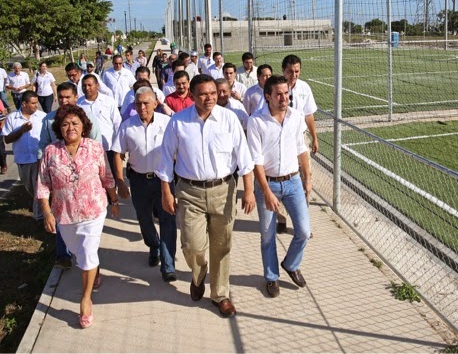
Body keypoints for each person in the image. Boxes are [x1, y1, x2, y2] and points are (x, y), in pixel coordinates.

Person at [157, 74, 255, 318]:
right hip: (189, 192)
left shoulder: (229, 119)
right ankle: (198, 276)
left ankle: (220, 294)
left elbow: (244, 158)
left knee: (222, 246)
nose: (209, 98)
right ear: (191, 95)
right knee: (192, 245)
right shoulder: (178, 122)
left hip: (224, 190)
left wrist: (249, 191)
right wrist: (166, 192)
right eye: (203, 93)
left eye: (213, 93)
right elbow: (166, 158)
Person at [37, 104, 119, 328]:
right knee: (78, 252)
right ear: (58, 129)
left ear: (84, 127)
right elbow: (43, 185)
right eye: (65, 124)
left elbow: (107, 176)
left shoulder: (94, 148)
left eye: (75, 123)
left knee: (87, 253)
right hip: (65, 214)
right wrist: (46, 212)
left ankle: (85, 300)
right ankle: (95, 269)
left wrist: (113, 200)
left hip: (93, 210)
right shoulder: (51, 152)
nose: (70, 127)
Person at [247, 75, 312, 297]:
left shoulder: (296, 117)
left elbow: (301, 148)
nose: (284, 98)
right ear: (268, 96)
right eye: (279, 94)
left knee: (303, 231)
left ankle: (291, 264)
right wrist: (265, 191)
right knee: (267, 235)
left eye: (286, 93)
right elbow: (256, 161)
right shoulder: (256, 121)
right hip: (269, 183)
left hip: (293, 182)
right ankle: (271, 277)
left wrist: (307, 177)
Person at [113, 87, 177, 282]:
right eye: (138, 103)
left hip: (163, 180)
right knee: (144, 218)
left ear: (155, 103)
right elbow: (117, 153)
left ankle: (168, 264)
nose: (142, 107)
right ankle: (154, 245)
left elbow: (179, 150)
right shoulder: (127, 126)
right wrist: (120, 181)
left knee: (168, 218)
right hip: (139, 180)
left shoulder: (168, 124)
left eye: (146, 103)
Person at [38, 82, 102, 269]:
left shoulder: (87, 117)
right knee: (61, 216)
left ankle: (90, 265)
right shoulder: (48, 120)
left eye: (68, 97)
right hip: (58, 180)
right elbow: (43, 147)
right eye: (61, 97)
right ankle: (63, 255)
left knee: (87, 230)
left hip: (85, 183)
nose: (64, 101)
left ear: (76, 97)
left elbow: (96, 144)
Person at [278, 55, 319, 234]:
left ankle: (302, 222)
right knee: (280, 177)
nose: (293, 75)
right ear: (283, 70)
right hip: (281, 139)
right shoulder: (277, 88)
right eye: (290, 71)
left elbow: (309, 114)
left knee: (305, 179)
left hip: (301, 138)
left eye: (296, 71)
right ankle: (280, 218)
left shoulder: (304, 88)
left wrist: (314, 137)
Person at [2, 91, 46, 219]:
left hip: (39, 159)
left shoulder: (42, 116)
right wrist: (21, 130)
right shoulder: (12, 118)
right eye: (33, 103)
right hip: (23, 160)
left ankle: (40, 216)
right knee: (30, 187)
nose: (36, 105)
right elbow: (7, 139)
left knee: (39, 187)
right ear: (24, 104)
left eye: (36, 102)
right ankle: (38, 206)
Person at [78, 74, 122, 176]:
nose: (87, 88)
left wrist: (118, 144)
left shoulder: (108, 101)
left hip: (108, 146)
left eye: (90, 85)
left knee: (111, 176)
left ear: (97, 85)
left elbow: (117, 123)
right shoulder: (79, 104)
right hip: (88, 148)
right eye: (84, 86)